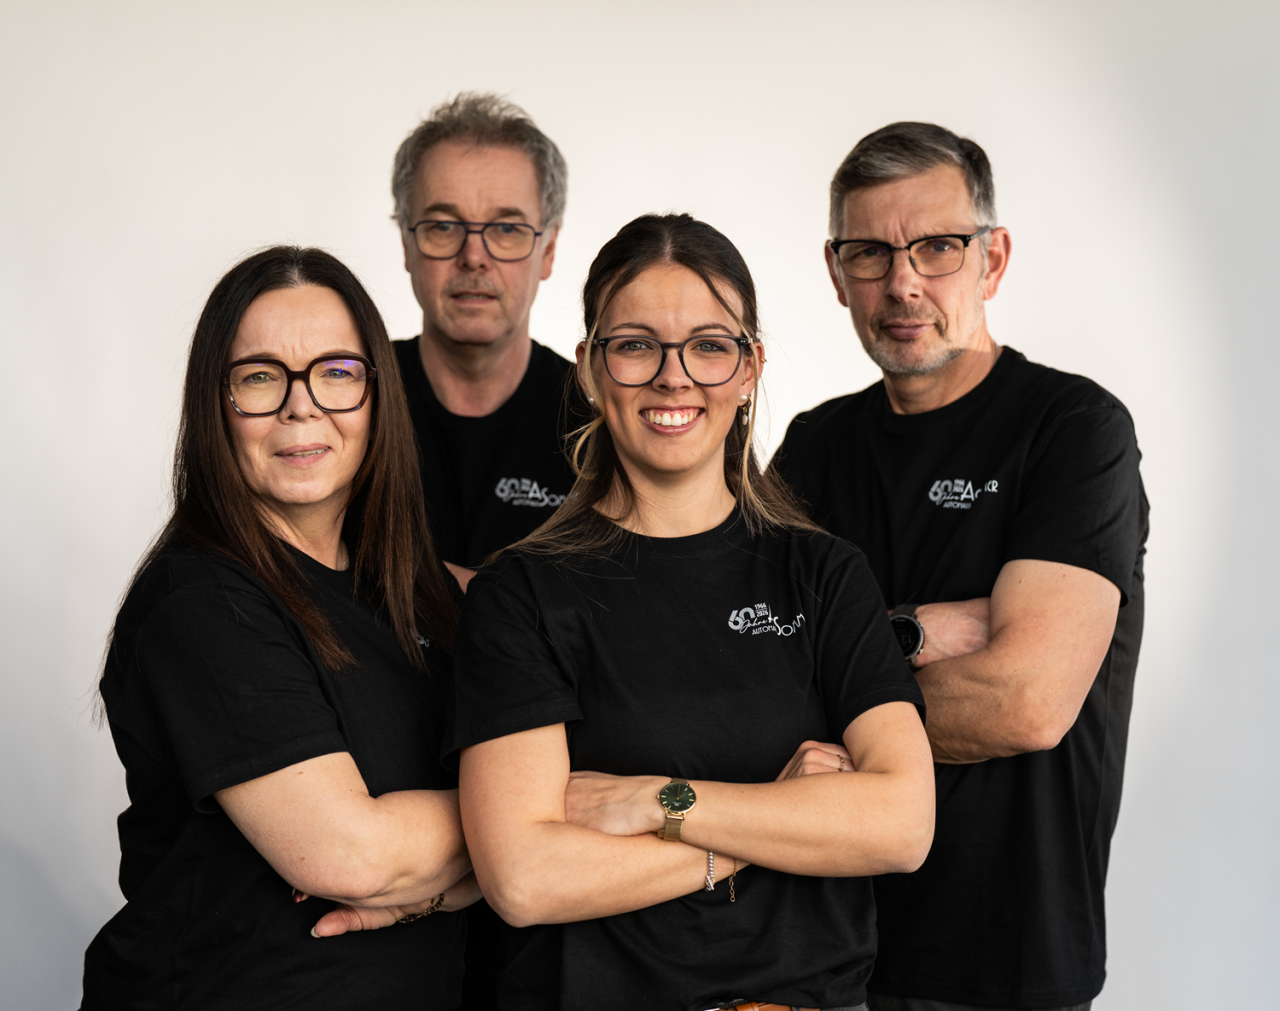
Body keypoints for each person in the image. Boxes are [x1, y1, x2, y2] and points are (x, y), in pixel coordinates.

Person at [449, 213, 937, 1011]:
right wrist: (778, 821)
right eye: (636, 345)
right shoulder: (521, 594)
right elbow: (526, 879)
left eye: (709, 346)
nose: (674, 378)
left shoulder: (823, 575)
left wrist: (658, 801)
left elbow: (902, 825)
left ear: (750, 369)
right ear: (590, 368)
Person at [772, 123, 1149, 1011]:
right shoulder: (813, 448)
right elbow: (749, 676)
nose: (903, 283)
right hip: (821, 951)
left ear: (993, 258)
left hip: (1005, 961)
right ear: (836, 272)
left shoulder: (1071, 430)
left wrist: (845, 674)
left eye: (937, 247)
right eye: (870, 252)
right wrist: (923, 632)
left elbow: (1025, 702)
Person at [81, 246, 477, 1010]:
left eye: (336, 372)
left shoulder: (418, 589)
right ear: (216, 404)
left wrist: (436, 886)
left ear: (376, 395)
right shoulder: (200, 604)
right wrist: (526, 824)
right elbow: (351, 856)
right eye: (260, 377)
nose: (301, 406)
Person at [390, 92, 582, 587]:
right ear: (407, 244)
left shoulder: (601, 421)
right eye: (443, 225)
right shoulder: (342, 401)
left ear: (548, 250)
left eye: (507, 228)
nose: (474, 256)